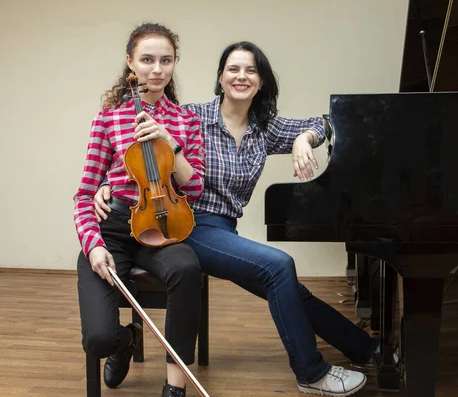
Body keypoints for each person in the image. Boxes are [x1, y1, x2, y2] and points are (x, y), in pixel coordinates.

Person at [95, 41, 378, 397]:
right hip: (187, 222)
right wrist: (104, 184)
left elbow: (324, 122)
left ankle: (366, 350)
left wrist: (304, 140)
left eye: (251, 70)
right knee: (278, 267)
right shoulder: (193, 115)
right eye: (233, 69)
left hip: (223, 230)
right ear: (221, 77)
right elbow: (138, 150)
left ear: (261, 81)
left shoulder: (266, 129)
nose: (241, 76)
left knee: (287, 286)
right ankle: (311, 373)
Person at [74, 23, 206, 397]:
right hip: (112, 227)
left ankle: (175, 387)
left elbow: (194, 187)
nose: (157, 69)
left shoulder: (186, 120)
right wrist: (93, 244)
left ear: (174, 64)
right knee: (98, 339)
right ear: (131, 63)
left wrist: (169, 141)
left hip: (162, 227)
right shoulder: (108, 118)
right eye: (147, 60)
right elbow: (84, 195)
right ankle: (125, 340)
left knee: (187, 267)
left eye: (166, 60)